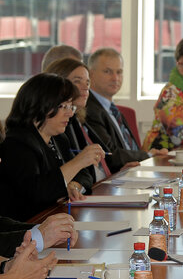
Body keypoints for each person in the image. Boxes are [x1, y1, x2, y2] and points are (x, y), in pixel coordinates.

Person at [0, 74, 105, 220]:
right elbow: (37, 193)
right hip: (27, 229)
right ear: (38, 105)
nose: (70, 113)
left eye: (70, 106)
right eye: (62, 106)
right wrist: (78, 162)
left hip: (54, 220)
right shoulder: (17, 144)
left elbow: (85, 174)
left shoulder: (58, 139)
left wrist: (74, 185)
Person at [86, 48, 165, 173]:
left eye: (119, 72)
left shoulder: (113, 109)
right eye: (108, 71)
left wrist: (148, 154)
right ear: (90, 74)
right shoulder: (89, 110)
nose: (115, 78)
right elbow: (110, 154)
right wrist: (148, 156)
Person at [45, 58, 111, 181]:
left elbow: (85, 172)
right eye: (77, 81)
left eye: (87, 82)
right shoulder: (54, 126)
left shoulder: (75, 119)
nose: (85, 88)